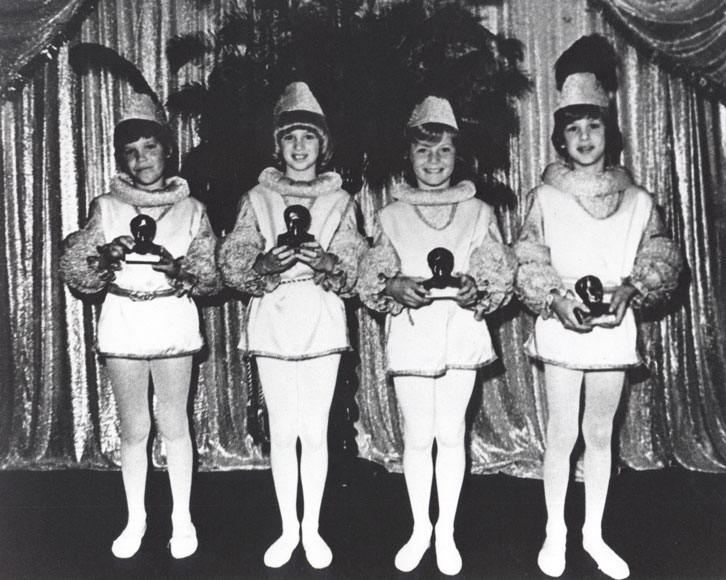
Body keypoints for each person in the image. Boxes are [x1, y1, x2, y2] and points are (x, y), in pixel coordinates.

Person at [514, 35, 683, 580]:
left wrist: (632, 289)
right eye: (573, 128)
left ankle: (593, 534)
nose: (584, 138)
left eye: (594, 127)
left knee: (601, 434)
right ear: (561, 137)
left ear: (610, 132)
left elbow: (659, 252)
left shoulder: (639, 199)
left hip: (613, 324)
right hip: (563, 323)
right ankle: (554, 533)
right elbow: (529, 254)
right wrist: (554, 298)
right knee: (562, 433)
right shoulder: (545, 197)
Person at [358, 96, 516, 576]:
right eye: (424, 152)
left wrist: (477, 288)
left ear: (457, 156)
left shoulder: (479, 211)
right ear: (409, 155)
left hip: (460, 334)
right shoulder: (390, 215)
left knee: (451, 434)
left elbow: (496, 273)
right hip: (412, 335)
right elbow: (373, 274)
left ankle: (445, 529)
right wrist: (391, 285)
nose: (433, 161)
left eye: (443, 151)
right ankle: (418, 528)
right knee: (417, 435)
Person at [60, 91, 219, 559]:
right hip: (124, 320)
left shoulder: (192, 208)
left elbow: (210, 275)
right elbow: (76, 270)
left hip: (171, 318)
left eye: (150, 147)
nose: (141, 158)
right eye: (131, 151)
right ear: (121, 158)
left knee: (175, 423)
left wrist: (182, 270)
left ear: (167, 150)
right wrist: (104, 258)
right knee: (134, 427)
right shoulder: (107, 206)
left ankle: (182, 518)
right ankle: (136, 518)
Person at [219, 82, 367, 569]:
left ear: (322, 145)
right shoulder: (258, 197)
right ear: (277, 145)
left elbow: (355, 263)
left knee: (315, 430)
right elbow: (234, 258)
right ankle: (287, 528)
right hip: (274, 319)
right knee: (283, 431)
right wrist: (262, 264)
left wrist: (327, 261)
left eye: (308, 137)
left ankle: (313, 529)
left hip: (321, 318)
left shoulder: (340, 199)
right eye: (290, 138)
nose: (299, 147)